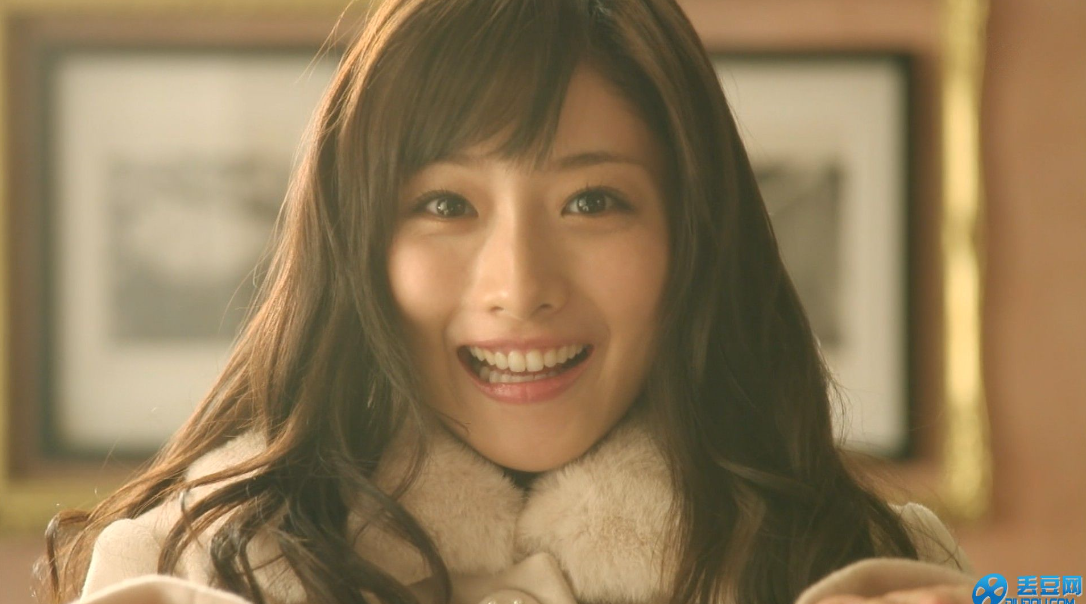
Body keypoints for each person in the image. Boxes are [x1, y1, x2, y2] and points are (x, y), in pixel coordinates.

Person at [40, 1, 977, 604]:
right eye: (446, 206)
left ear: (693, 234)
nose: (521, 288)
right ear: (358, 245)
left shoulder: (870, 561)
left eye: (592, 202)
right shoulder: (189, 564)